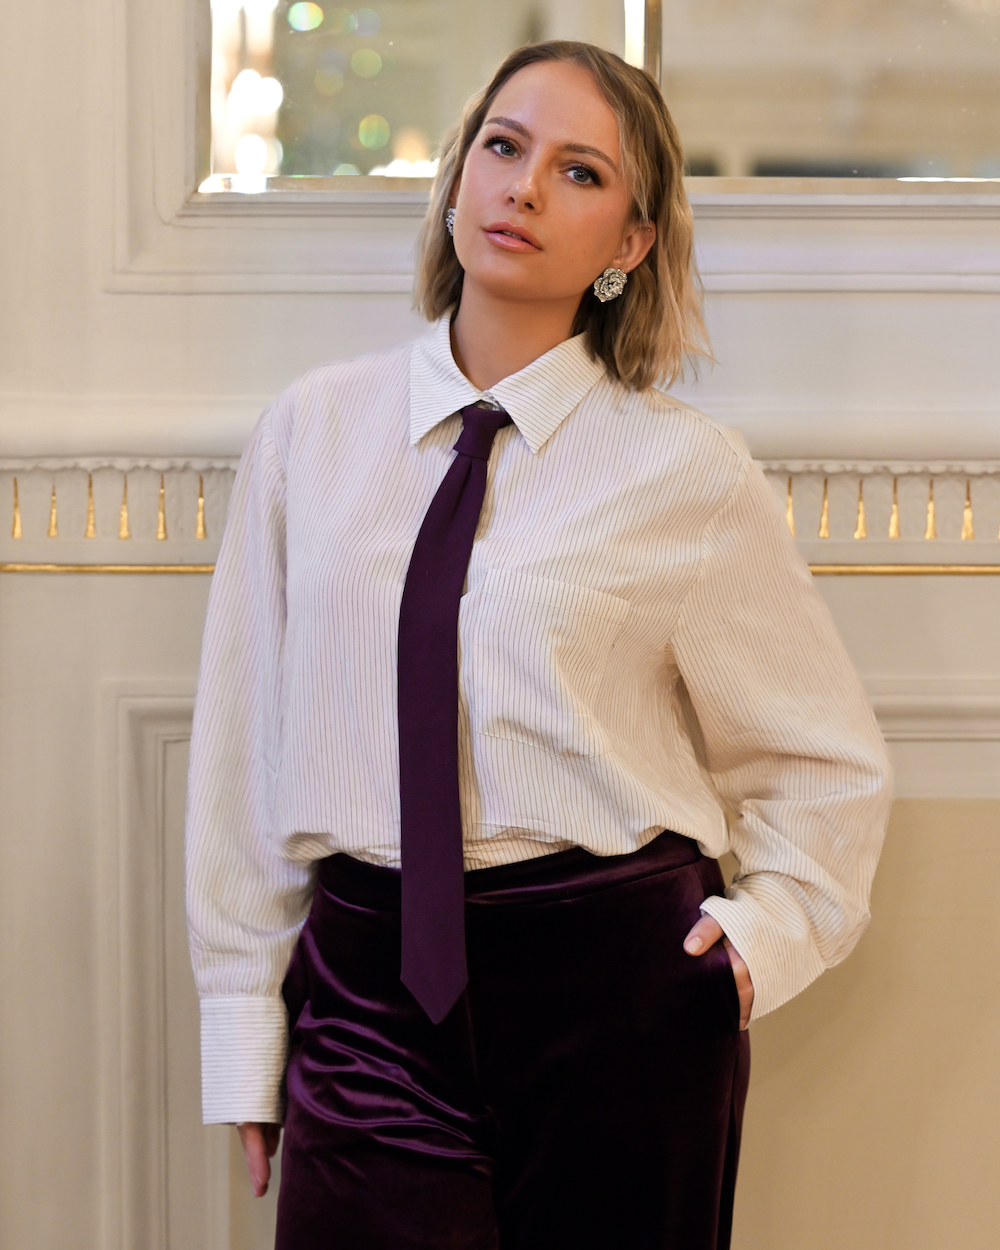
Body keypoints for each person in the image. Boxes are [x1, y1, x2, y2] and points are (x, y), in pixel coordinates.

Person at [186, 40, 891, 1250]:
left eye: (579, 172)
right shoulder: (314, 430)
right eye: (503, 147)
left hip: (617, 998)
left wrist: (751, 952)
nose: (522, 187)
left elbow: (823, 764)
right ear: (458, 175)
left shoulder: (686, 472)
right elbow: (246, 749)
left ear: (631, 242)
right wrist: (245, 1024)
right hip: (367, 992)